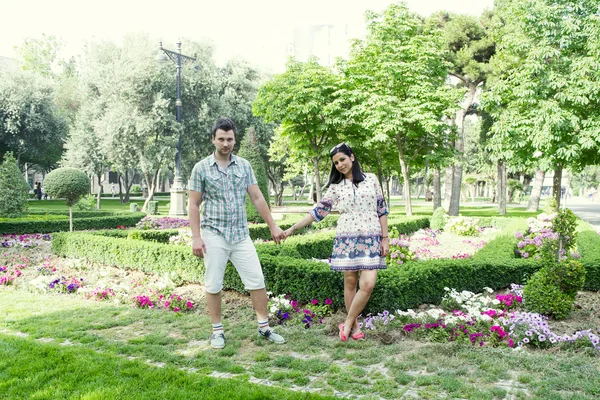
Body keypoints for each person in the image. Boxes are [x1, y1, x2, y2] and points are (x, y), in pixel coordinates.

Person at [189, 117, 287, 349]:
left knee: (257, 280)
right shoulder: (201, 168)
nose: (226, 143)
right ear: (213, 139)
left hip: (241, 235)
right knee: (213, 284)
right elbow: (193, 204)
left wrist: (272, 225)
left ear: (235, 140)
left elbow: (257, 197)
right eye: (221, 139)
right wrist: (196, 236)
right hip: (213, 234)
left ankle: (264, 327)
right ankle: (217, 332)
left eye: (230, 139)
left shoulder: (244, 165)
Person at [284, 142, 389, 342]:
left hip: (371, 239)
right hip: (346, 240)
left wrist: (385, 238)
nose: (340, 165)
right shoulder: (336, 187)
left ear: (352, 157)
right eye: (336, 163)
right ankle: (355, 325)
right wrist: (291, 229)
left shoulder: (372, 180)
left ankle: (347, 322)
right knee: (350, 282)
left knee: (368, 284)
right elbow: (317, 213)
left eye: (342, 159)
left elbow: (382, 210)